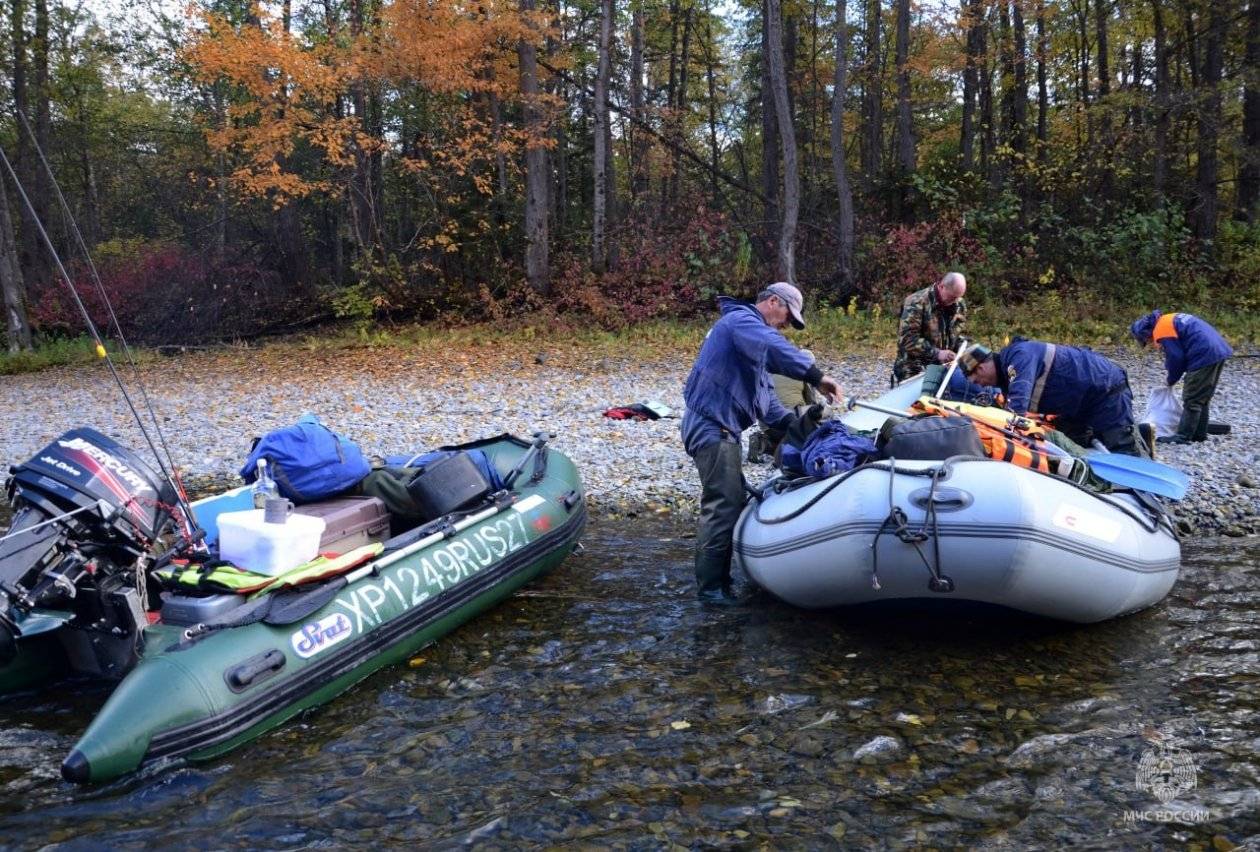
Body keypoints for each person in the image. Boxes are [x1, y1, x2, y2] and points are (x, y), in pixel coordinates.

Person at [682, 283, 842, 606]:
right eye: (787, 316)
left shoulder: (751, 349)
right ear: (772, 301)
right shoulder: (741, 322)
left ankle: (722, 584)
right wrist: (816, 377)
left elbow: (768, 405)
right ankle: (711, 593)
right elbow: (774, 346)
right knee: (722, 505)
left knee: (732, 500)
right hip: (711, 427)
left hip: (721, 429)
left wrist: (803, 425)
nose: (786, 324)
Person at [958, 338, 1149, 457]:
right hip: (1077, 406)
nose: (981, 385)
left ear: (981, 367)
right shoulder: (1007, 379)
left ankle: (1151, 502)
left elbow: (1017, 410)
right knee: (1070, 448)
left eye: (977, 380)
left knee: (1123, 449)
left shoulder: (1018, 358)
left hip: (1104, 389)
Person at [1130, 311, 1233, 444]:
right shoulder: (1166, 320)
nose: (1150, 343)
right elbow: (1176, 352)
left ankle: (1183, 436)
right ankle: (1199, 434)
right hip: (1217, 350)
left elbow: (1176, 358)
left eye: (1147, 341)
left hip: (1204, 355)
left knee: (1191, 398)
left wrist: (1171, 380)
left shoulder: (1162, 330)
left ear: (1146, 333)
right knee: (1202, 397)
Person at [891, 272, 968, 384]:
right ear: (942, 286)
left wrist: (963, 351)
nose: (955, 301)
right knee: (919, 398)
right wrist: (937, 353)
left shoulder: (958, 304)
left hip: (943, 366)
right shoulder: (916, 302)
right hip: (913, 365)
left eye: (958, 297)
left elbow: (960, 334)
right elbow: (908, 340)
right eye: (952, 297)